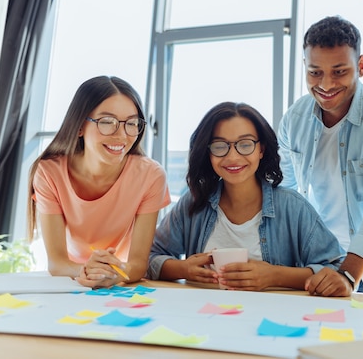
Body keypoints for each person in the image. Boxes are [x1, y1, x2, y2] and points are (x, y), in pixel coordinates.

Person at [278, 16, 363, 297]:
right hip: (312, 264)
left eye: (339, 71)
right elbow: (285, 196)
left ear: (361, 66)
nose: (326, 84)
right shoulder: (294, 119)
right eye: (315, 72)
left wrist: (348, 274)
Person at [147, 102, 344, 292]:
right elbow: (149, 257)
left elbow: (335, 268)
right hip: (202, 317)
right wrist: (183, 269)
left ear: (261, 149)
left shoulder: (292, 207)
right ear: (208, 153)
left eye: (245, 144)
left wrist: (275, 276)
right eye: (219, 145)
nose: (233, 157)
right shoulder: (194, 202)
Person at [28, 75, 171, 288]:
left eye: (131, 123)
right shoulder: (49, 172)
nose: (121, 135)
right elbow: (57, 263)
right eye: (107, 122)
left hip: (120, 283)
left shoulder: (151, 175)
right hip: (72, 280)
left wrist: (115, 273)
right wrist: (86, 270)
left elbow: (138, 264)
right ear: (79, 126)